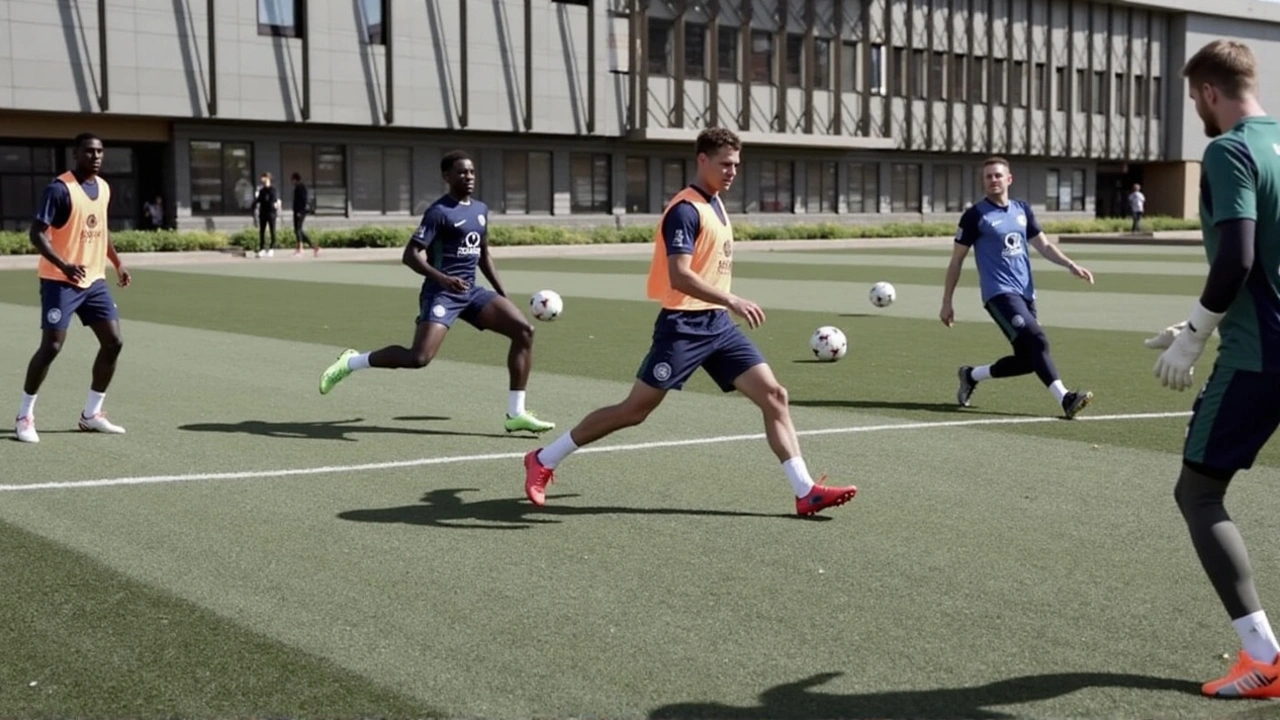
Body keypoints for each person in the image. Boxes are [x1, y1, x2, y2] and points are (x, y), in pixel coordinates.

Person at [520, 127, 858, 517]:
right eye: (725, 164)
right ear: (702, 160)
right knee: (635, 411)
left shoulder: (715, 202)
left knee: (774, 396)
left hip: (718, 326)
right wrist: (731, 298)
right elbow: (679, 275)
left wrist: (723, 305)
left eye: (736, 165)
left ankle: (805, 491)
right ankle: (544, 458)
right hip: (683, 326)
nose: (732, 172)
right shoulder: (685, 209)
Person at [1147, 38, 1280, 699]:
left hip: (1262, 359)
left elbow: (1240, 258)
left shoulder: (1228, 151)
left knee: (1197, 493)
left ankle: (1265, 659)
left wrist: (1196, 335)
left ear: (1206, 92)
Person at [317, 150, 554, 435]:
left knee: (524, 331)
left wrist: (501, 294)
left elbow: (483, 254)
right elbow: (411, 255)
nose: (468, 177)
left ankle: (516, 414)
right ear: (447, 177)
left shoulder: (480, 210)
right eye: (461, 172)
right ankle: (351, 362)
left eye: (472, 172)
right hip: (441, 293)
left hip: (472, 292)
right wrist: (443, 279)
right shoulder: (438, 212)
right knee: (419, 358)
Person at [940, 156, 1096, 419]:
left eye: (998, 175)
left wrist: (1070, 264)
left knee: (1029, 358)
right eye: (988, 176)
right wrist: (947, 301)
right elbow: (956, 260)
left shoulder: (1022, 210)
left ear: (1008, 179)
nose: (993, 180)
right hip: (998, 294)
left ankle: (971, 375)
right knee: (1039, 340)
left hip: (1026, 294)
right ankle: (1066, 399)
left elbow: (1044, 245)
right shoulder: (975, 215)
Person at [15, 132, 132, 443]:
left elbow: (101, 231)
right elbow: (37, 234)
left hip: (93, 281)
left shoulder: (104, 188)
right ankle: (24, 416)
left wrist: (117, 263)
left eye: (100, 151)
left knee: (114, 342)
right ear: (76, 154)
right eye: (89, 151)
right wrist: (64, 264)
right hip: (60, 281)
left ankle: (91, 415)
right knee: (52, 346)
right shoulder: (59, 189)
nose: (95, 156)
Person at [252, 172, 280, 258]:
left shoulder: (273, 190)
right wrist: (252, 206)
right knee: (262, 231)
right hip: (263, 213)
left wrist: (275, 206)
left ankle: (271, 248)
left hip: (271, 213)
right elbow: (258, 200)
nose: (262, 179)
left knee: (272, 230)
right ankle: (262, 249)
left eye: (263, 177)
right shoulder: (261, 191)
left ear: (268, 178)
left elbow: (274, 200)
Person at [290, 172, 317, 257]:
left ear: (295, 179)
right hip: (297, 211)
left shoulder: (301, 187)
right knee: (298, 230)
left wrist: (300, 212)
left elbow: (303, 200)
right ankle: (313, 246)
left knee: (298, 229)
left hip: (300, 212)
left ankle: (300, 249)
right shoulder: (297, 187)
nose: (292, 182)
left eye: (292, 180)